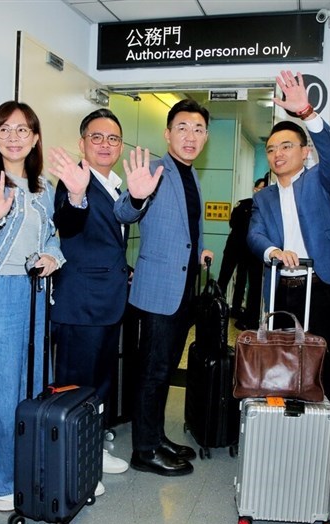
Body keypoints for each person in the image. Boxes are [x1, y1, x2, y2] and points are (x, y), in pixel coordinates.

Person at [0, 101, 65, 511]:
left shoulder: (46, 188)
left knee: (34, 385)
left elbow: (54, 236)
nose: (13, 137)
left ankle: (25, 469)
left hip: (36, 293)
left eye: (22, 130)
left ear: (35, 137)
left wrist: (53, 257)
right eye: (4, 129)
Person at [113, 99, 213, 476]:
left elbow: (185, 229)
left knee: (167, 368)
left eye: (199, 129)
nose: (191, 136)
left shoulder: (191, 175)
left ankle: (156, 436)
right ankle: (144, 450)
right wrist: (137, 195)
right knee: (152, 372)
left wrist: (197, 248)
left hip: (183, 291)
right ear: (167, 133)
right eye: (183, 128)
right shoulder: (154, 169)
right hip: (157, 293)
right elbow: (123, 211)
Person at [247, 69, 330, 403]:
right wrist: (273, 252)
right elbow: (255, 235)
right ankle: (281, 421)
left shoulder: (320, 181)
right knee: (281, 358)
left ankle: (318, 425)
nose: (277, 154)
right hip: (282, 285)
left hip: (320, 283)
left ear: (304, 151)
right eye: (270, 149)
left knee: (318, 355)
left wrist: (308, 113)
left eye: (286, 146)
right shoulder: (263, 197)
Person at [47, 109, 131, 487]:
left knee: (97, 386)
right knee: (73, 390)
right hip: (80, 304)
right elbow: (68, 222)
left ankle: (90, 449)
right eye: (96, 137)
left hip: (107, 303)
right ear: (82, 143)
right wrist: (77, 194)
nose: (105, 144)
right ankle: (70, 468)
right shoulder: (74, 182)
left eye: (113, 139)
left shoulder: (116, 183)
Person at [218, 175, 268, 330]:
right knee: (224, 278)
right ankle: (215, 308)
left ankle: (238, 310)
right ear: (254, 189)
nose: (259, 191)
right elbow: (233, 222)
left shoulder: (268, 209)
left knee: (244, 281)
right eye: (257, 188)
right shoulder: (244, 204)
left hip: (252, 252)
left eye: (263, 189)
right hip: (234, 247)